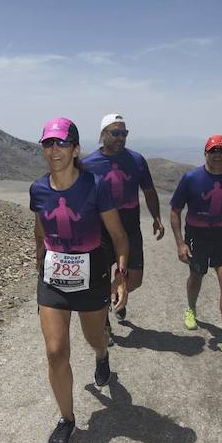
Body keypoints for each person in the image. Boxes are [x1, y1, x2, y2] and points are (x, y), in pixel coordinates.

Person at [30, 117, 130, 443]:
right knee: (56, 351)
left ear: (75, 148)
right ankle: (67, 419)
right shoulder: (38, 189)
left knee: (93, 338)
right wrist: (38, 270)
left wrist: (121, 276)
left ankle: (102, 356)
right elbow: (40, 234)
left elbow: (118, 237)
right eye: (48, 143)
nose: (54, 150)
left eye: (61, 143)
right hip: (53, 280)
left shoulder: (96, 185)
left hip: (91, 279)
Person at [169, 135, 222, 359]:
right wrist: (180, 243)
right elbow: (175, 210)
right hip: (197, 235)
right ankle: (191, 308)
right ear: (205, 153)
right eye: (213, 151)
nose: (217, 155)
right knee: (197, 275)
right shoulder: (191, 178)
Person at [82, 114, 164, 335]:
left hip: (129, 226)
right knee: (99, 278)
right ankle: (104, 322)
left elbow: (148, 190)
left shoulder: (137, 160)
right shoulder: (88, 164)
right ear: (102, 135)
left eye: (124, 133)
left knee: (134, 279)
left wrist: (156, 218)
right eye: (115, 133)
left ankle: (118, 294)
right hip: (100, 228)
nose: (121, 137)